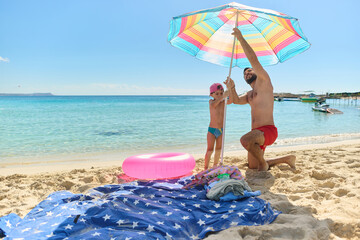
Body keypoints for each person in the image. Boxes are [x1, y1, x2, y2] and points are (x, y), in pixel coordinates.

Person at [224, 27, 296, 171]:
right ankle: (286, 159)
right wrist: (232, 87)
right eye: (244, 73)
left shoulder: (264, 82)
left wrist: (240, 37)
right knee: (252, 166)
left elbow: (253, 59)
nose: (247, 73)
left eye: (249, 70)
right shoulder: (250, 94)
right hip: (256, 135)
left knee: (245, 140)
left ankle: (264, 164)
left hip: (267, 131)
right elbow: (236, 100)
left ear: (256, 71)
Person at [204, 83, 231, 170]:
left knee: (219, 149)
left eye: (221, 93)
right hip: (211, 130)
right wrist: (223, 96)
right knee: (210, 150)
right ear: (211, 95)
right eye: (217, 94)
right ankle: (205, 168)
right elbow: (214, 105)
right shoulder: (211, 102)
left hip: (221, 130)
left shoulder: (224, 102)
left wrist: (230, 90)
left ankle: (215, 165)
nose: (219, 95)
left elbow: (232, 100)